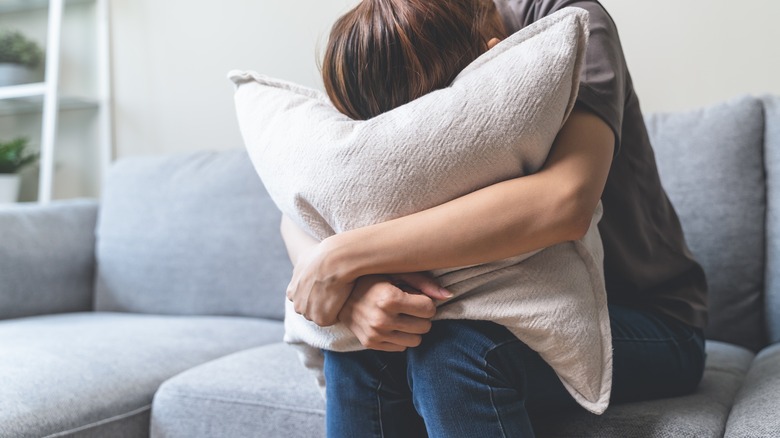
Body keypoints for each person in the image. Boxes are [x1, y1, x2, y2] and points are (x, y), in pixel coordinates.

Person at [281, 0, 708, 436]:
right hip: (477, 302)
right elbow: (309, 200)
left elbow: (565, 201)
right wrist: (353, 290)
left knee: (457, 352)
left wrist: (344, 258)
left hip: (645, 316)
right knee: (362, 349)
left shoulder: (565, 23)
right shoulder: (386, 38)